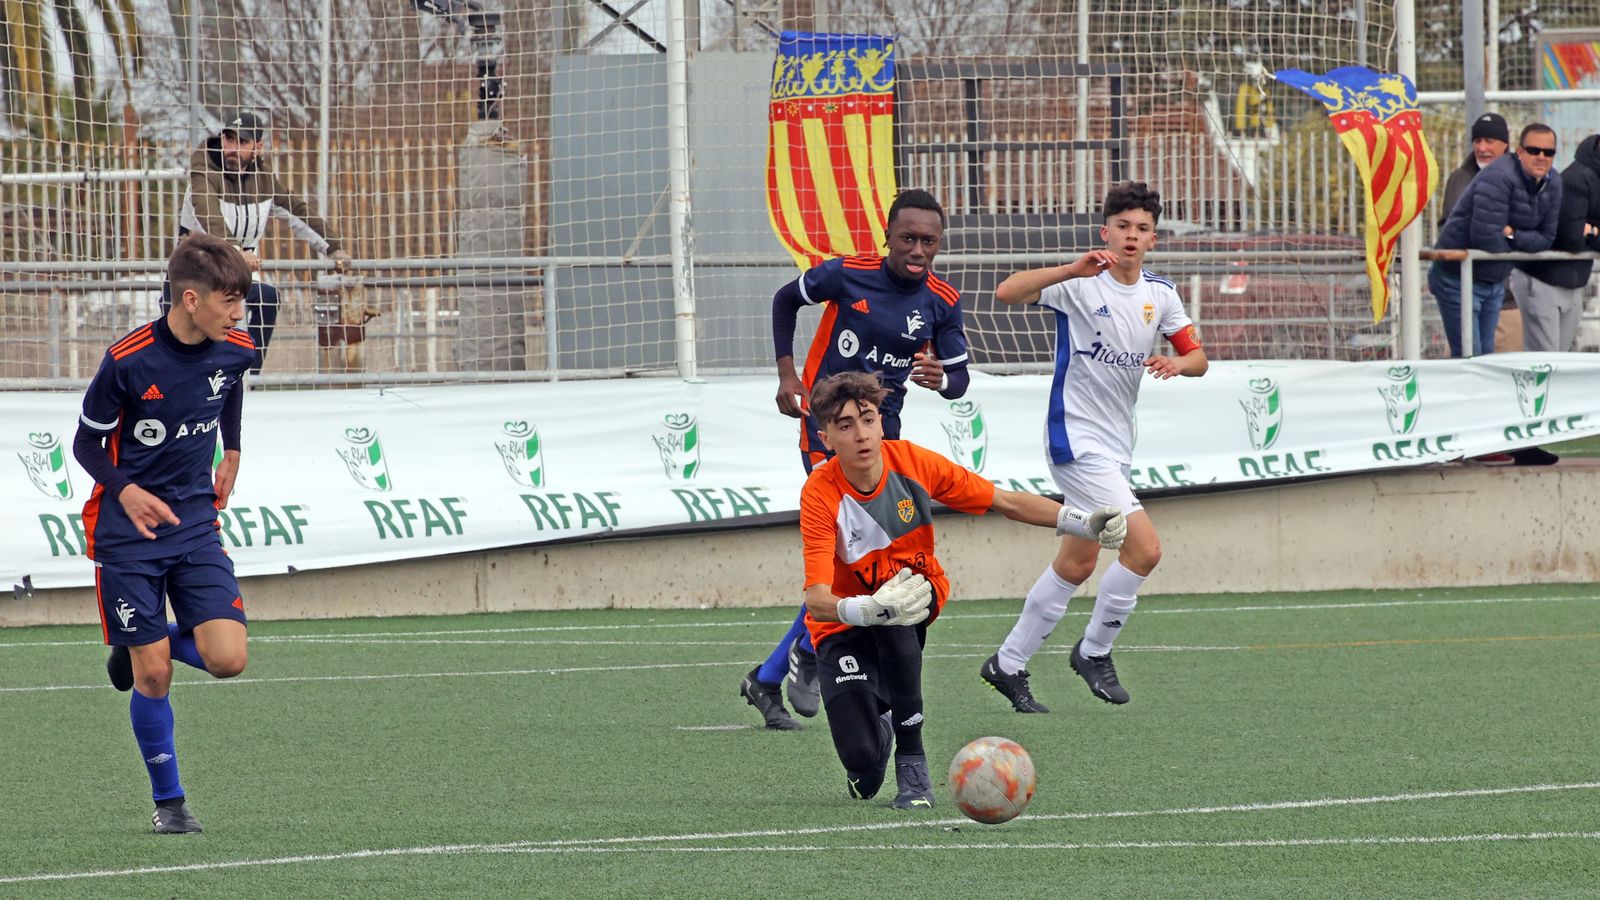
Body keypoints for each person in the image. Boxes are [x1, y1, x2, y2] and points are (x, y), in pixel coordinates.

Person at [797, 372, 1124, 808]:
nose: (861, 434)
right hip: (847, 622)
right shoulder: (820, 493)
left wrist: (1082, 522)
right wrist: (867, 609)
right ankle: (881, 726)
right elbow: (818, 601)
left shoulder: (913, 462)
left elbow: (1003, 501)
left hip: (913, 595)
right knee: (861, 766)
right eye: (844, 425)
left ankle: (913, 769)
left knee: (900, 603)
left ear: (880, 422)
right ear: (826, 437)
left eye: (868, 419)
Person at [739, 188, 973, 731]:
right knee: (855, 559)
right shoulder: (846, 274)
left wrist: (944, 380)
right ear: (887, 236)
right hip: (829, 434)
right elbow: (784, 299)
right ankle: (801, 663)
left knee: (863, 567)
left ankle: (773, 673)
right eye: (908, 238)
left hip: (883, 444)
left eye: (928, 241)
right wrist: (787, 375)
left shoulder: (941, 299)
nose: (918, 249)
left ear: (939, 245)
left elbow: (959, 378)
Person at [980, 181, 1208, 712]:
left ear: (1153, 238)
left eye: (1142, 228)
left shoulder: (1160, 294)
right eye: (1123, 226)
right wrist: (1068, 270)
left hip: (1116, 446)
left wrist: (1177, 362)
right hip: (1075, 440)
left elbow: (1199, 358)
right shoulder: (1082, 284)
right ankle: (1094, 650)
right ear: (1105, 232)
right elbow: (1006, 292)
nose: (1132, 236)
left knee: (1079, 561)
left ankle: (1008, 664)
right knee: (1144, 548)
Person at [74, 233, 259, 833]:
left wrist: (232, 448)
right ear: (189, 300)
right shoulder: (128, 360)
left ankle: (140, 642)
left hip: (196, 520)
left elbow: (228, 387)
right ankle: (170, 804)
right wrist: (126, 489)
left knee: (228, 659)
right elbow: (85, 443)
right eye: (230, 303)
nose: (238, 315)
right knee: (154, 674)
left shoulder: (234, 346)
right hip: (128, 530)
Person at [174, 109, 353, 372]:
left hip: (236, 275)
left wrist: (334, 249)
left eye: (242, 142)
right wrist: (236, 254)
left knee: (267, 298)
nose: (233, 148)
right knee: (183, 346)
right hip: (194, 272)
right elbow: (207, 214)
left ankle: (248, 377)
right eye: (228, 139)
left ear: (258, 147)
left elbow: (298, 211)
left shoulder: (265, 180)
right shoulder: (203, 171)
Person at [1430, 123, 1563, 358]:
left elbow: (1547, 238)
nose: (1541, 157)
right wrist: (1522, 241)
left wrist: (1512, 234)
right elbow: (1487, 239)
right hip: (1457, 277)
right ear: (1519, 151)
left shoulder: (1554, 182)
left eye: (1548, 152)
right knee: (1468, 357)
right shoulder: (1499, 176)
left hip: (1494, 280)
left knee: (1485, 358)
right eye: (1534, 150)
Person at [1513, 133, 1600, 353]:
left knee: (1558, 360)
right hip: (1544, 280)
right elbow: (1572, 237)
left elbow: (1581, 235)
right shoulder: (1578, 178)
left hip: (1573, 282)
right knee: (1545, 363)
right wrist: (1590, 232)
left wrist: (1591, 230)